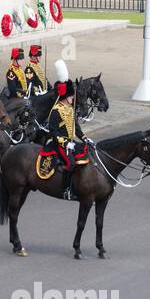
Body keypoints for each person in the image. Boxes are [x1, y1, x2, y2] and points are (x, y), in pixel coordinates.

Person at [43, 60, 87, 201]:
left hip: (70, 142)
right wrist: (66, 143)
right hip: (59, 144)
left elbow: (76, 127)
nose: (72, 98)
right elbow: (53, 132)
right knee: (71, 163)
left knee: (84, 156)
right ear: (65, 96)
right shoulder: (56, 111)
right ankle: (67, 190)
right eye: (71, 96)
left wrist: (84, 138)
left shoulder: (69, 108)